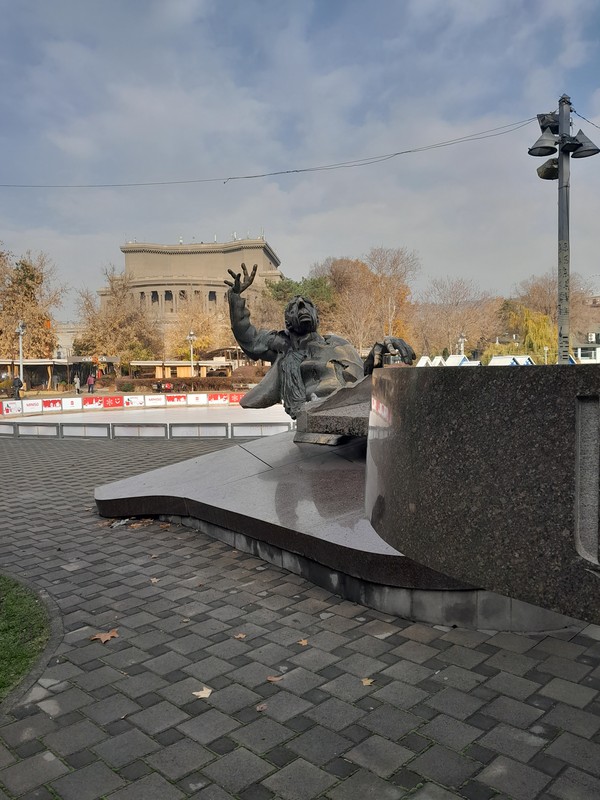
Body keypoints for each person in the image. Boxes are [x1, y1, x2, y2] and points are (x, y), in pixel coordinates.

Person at [225, 263, 415, 419]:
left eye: (307, 305)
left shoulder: (338, 343)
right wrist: (234, 297)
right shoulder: (284, 345)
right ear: (287, 322)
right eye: (294, 307)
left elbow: (361, 382)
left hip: (352, 409)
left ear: (317, 317)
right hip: (315, 416)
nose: (301, 305)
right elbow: (248, 336)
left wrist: (378, 352)